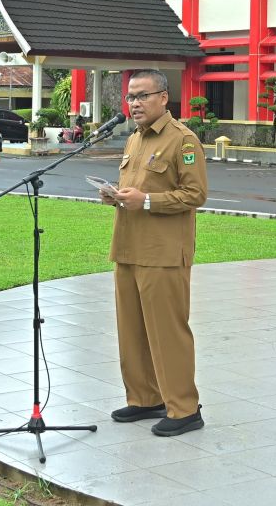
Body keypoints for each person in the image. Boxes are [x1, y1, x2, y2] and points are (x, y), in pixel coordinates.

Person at [103, 69, 209, 435]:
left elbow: (195, 195)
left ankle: (184, 409)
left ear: (164, 97)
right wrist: (115, 195)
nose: (134, 103)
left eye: (143, 95)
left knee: (167, 333)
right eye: (131, 97)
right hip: (129, 248)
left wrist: (146, 201)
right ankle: (145, 398)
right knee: (130, 331)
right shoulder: (134, 139)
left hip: (163, 253)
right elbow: (133, 188)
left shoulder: (183, 141)